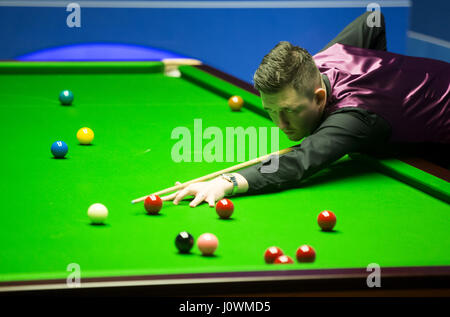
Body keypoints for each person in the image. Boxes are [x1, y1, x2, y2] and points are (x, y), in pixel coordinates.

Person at [161, 11, 450, 207]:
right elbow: (371, 21)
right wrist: (386, 78)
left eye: (289, 111)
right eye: (272, 111)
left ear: (320, 96)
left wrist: (226, 183)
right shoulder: (321, 60)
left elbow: (299, 163)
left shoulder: (354, 116)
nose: (281, 124)